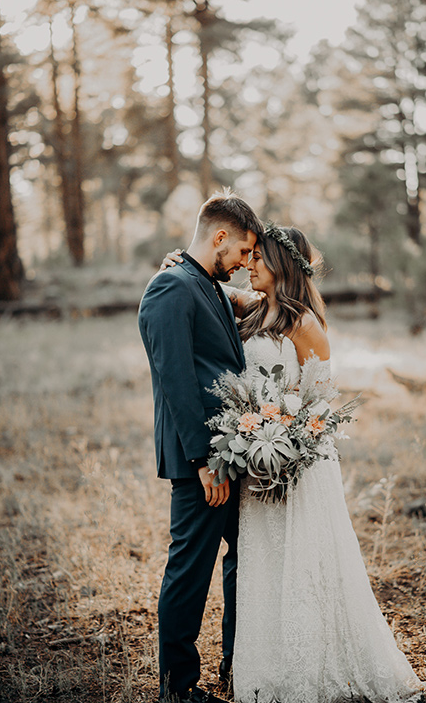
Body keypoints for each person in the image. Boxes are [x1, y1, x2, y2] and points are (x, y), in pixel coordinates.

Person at [161, 224, 426, 703]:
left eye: (258, 257)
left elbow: (320, 406)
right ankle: (255, 666)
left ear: (282, 265)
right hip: (254, 460)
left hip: (294, 466)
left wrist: (284, 442)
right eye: (249, 255)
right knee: (259, 566)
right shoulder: (251, 307)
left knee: (299, 565)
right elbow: (209, 283)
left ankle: (312, 663)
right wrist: (177, 262)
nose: (249, 264)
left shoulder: (305, 325)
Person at [138, 190, 264, 703]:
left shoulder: (206, 285)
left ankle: (240, 665)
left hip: (227, 456)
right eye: (240, 252)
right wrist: (203, 459)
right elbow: (176, 380)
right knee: (190, 568)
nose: (242, 263)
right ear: (219, 237)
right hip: (202, 461)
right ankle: (179, 688)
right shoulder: (171, 286)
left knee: (246, 557)